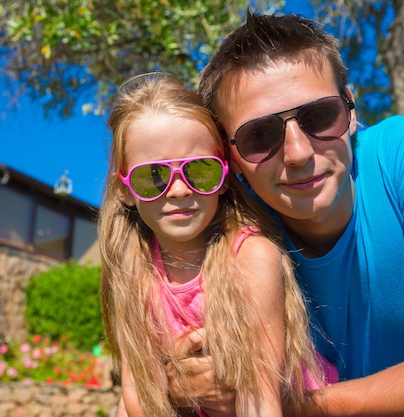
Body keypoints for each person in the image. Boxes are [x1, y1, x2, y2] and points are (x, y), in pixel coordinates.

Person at [168, 11, 404, 417]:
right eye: (259, 136)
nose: (298, 153)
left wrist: (301, 405)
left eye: (319, 116)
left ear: (350, 113)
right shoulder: (228, 233)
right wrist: (183, 378)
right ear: (233, 158)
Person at [98, 73, 337, 417]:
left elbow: (261, 401)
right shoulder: (133, 272)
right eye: (153, 177)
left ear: (225, 177)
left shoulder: (251, 256)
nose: (179, 190)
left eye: (201, 171)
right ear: (124, 190)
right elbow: (139, 397)